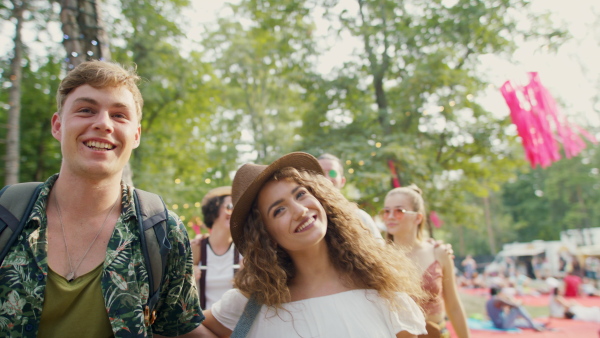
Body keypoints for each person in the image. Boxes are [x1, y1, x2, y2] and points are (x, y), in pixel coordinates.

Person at [0, 60, 213, 337]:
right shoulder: (7, 215)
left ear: (136, 135)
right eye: (86, 110)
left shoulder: (162, 231)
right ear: (57, 126)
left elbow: (179, 331)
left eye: (119, 115)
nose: (103, 124)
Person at [202, 152, 427, 337]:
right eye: (279, 210)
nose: (300, 211)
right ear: (266, 235)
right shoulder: (252, 301)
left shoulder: (380, 285)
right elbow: (183, 329)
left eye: (300, 194)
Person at [382, 185, 470, 338]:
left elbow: (454, 306)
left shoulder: (439, 252)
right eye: (386, 211)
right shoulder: (378, 256)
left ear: (418, 217)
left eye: (399, 211)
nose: (390, 216)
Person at [191, 186, 242, 310]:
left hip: (236, 326)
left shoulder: (244, 251)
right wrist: (188, 278)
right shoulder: (195, 248)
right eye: (230, 207)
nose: (234, 212)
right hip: (203, 325)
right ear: (214, 210)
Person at [317, 153, 384, 241]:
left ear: (342, 181)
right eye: (320, 173)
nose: (326, 178)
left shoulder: (360, 217)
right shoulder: (308, 217)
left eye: (332, 173)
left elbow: (379, 249)